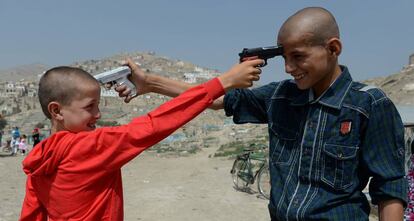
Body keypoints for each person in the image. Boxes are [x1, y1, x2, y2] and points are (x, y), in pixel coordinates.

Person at [120, 7, 407, 221]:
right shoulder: (281, 96)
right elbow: (217, 99)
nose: (288, 68)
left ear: (333, 49)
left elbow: (390, 187)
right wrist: (152, 84)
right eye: (285, 58)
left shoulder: (369, 104)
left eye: (298, 57)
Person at [19, 57, 263, 220]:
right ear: (57, 111)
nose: (98, 114)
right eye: (89, 107)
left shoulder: (39, 159)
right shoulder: (89, 146)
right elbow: (153, 125)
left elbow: (32, 213)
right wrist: (223, 82)